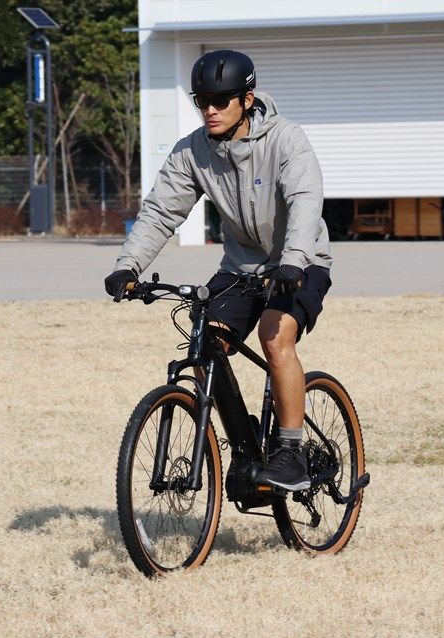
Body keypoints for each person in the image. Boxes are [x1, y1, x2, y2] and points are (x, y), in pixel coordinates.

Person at [104, 49, 332, 492]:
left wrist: (292, 260)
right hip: (241, 266)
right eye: (201, 100)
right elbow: (159, 212)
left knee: (273, 334)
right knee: (206, 336)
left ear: (246, 100)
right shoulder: (192, 151)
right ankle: (245, 444)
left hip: (299, 261)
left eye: (220, 101)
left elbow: (306, 200)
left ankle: (290, 452)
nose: (209, 110)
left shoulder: (286, 139)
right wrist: (128, 265)